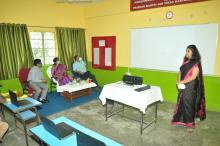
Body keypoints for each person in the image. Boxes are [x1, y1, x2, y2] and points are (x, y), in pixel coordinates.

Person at [171, 45, 206, 132]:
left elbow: (193, 77)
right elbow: (179, 72)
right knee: (181, 101)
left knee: (189, 104)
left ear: (193, 53)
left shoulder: (196, 63)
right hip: (182, 85)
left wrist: (181, 82)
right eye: (186, 51)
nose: (186, 53)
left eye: (188, 51)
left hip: (190, 87)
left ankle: (190, 124)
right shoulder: (185, 62)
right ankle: (179, 118)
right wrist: (179, 81)